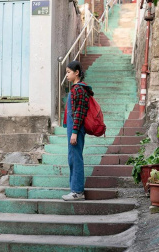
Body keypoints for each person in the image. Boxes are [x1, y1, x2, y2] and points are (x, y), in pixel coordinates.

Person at [61, 61, 93, 201]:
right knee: (73, 158)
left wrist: (74, 132)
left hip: (76, 129)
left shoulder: (78, 89)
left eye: (68, 72)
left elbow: (79, 112)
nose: (67, 75)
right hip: (74, 128)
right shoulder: (76, 88)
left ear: (77, 72)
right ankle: (75, 189)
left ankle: (77, 191)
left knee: (75, 158)